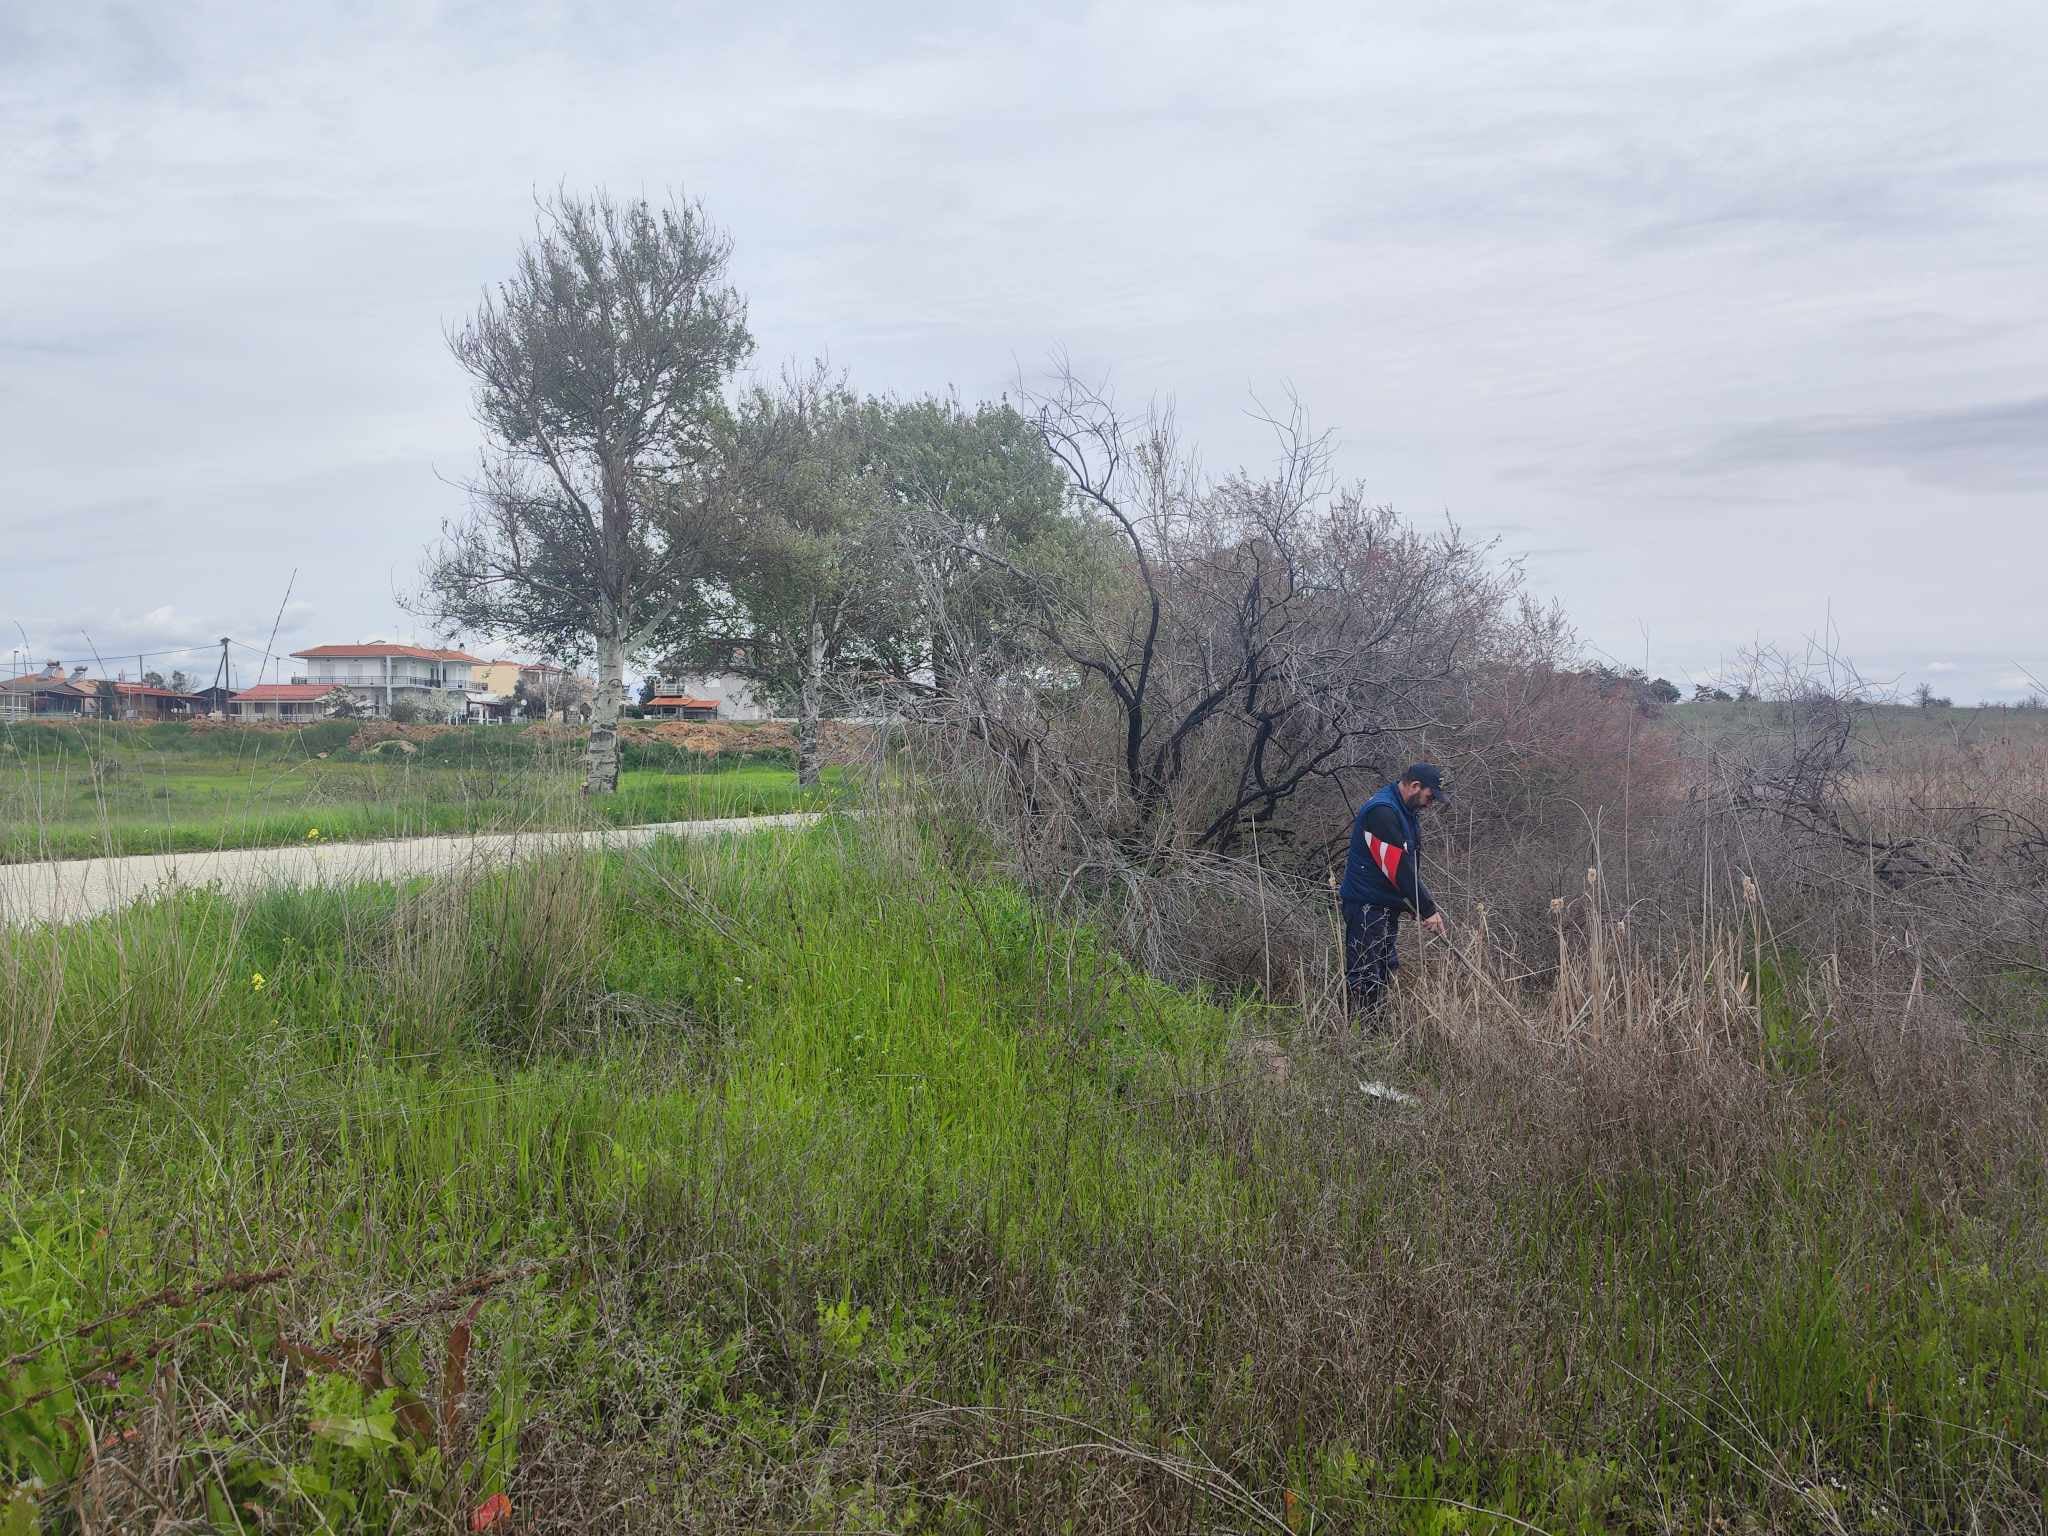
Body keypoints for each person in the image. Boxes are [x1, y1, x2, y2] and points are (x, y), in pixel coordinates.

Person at [1338, 764, 1449, 1019]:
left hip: (1384, 906)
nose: (1430, 804)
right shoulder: (1382, 812)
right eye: (1430, 797)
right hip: (1367, 906)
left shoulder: (1404, 812)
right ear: (1415, 786)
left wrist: (1410, 902)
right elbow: (1399, 868)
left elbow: (1403, 867)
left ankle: (1374, 1032)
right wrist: (1427, 908)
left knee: (1385, 969)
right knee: (1365, 975)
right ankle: (1356, 1037)